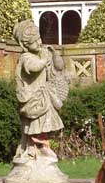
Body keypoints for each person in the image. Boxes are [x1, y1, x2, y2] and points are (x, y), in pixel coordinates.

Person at [13, 19, 69, 159]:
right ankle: (34, 146)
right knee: (35, 124)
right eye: (34, 41)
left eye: (39, 39)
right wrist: (44, 60)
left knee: (45, 123)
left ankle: (40, 145)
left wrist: (53, 54)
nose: (39, 43)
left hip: (44, 97)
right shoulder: (26, 58)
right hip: (34, 99)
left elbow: (59, 67)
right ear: (24, 45)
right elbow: (34, 67)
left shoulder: (40, 54)